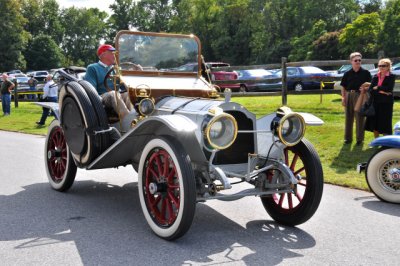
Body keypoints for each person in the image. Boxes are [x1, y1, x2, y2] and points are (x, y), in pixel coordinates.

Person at [84, 44, 133, 120]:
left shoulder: (115, 69)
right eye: (112, 52)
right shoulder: (92, 68)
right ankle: (128, 120)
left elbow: (124, 86)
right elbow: (90, 89)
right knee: (113, 93)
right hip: (101, 97)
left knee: (128, 94)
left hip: (116, 95)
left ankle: (135, 117)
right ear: (103, 54)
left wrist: (137, 71)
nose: (114, 55)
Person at [340, 52, 372, 145]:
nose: (358, 62)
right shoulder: (347, 74)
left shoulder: (366, 73)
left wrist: (365, 88)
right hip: (349, 95)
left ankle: (359, 139)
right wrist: (343, 97)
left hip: (361, 96)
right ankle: (348, 138)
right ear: (351, 62)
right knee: (348, 117)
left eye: (359, 60)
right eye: (356, 60)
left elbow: (371, 85)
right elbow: (343, 86)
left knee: (360, 117)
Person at [364, 58, 395, 138]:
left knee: (385, 122)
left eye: (383, 66)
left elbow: (389, 88)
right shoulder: (375, 76)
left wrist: (377, 88)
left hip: (386, 103)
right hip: (375, 102)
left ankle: (387, 142)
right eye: (379, 66)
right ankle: (376, 141)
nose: (381, 67)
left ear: (388, 67)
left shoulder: (391, 76)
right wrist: (382, 91)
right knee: (374, 122)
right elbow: (370, 90)